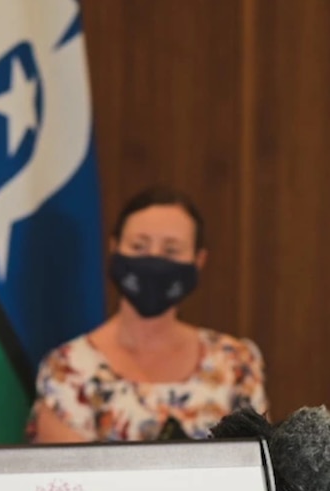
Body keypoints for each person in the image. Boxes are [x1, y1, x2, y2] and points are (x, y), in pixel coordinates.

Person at [28, 185, 269, 444]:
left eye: (171, 250)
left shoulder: (235, 364)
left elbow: (259, 469)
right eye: (139, 246)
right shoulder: (68, 367)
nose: (154, 259)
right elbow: (64, 479)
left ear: (199, 260)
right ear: (114, 247)